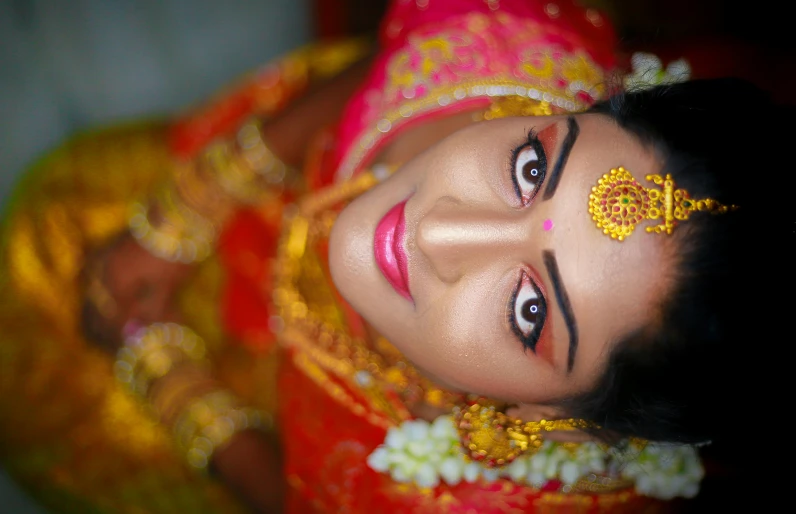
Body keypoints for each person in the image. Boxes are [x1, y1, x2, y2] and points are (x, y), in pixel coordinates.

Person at [0, 0, 788, 512]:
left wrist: (168, 380)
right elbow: (385, 61)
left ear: (556, 416)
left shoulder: (464, 498)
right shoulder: (506, 38)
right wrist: (196, 201)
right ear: (573, 108)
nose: (437, 233)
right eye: (530, 169)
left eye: (529, 311)